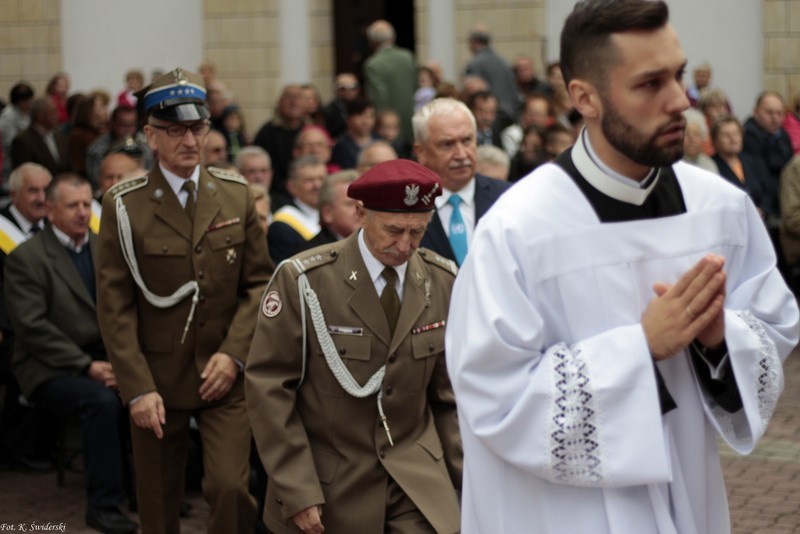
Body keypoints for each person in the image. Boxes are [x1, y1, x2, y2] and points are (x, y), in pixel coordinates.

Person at [445, 2, 799, 533]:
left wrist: (718, 340)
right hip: (565, 514)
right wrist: (640, 348)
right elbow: (492, 396)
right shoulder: (518, 230)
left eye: (678, 75)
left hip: (688, 496)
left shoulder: (720, 210)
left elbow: (774, 325)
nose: (680, 100)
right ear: (583, 96)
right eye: (650, 83)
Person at [96, 67, 272, 534]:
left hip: (223, 375)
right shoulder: (123, 205)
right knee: (158, 504)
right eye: (174, 130)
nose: (189, 140)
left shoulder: (236, 196)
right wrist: (135, 387)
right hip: (156, 378)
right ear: (151, 137)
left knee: (232, 489)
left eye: (197, 127)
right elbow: (114, 305)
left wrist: (234, 355)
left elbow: (259, 284)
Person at [246, 159, 462, 534]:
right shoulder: (305, 279)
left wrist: (468, 482)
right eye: (394, 230)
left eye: (418, 232)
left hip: (418, 481)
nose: (405, 245)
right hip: (332, 484)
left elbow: (447, 398)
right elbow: (269, 390)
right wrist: (297, 489)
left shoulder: (441, 280)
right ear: (361, 213)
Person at [5, 174, 137, 534]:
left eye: (86, 204)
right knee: (101, 402)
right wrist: (86, 366)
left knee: (144, 386)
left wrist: (122, 361)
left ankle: (145, 491)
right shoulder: (27, 259)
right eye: (72, 206)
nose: (83, 213)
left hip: (103, 355)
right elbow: (33, 329)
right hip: (48, 366)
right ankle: (103, 505)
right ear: (49, 210)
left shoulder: (103, 245)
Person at [413, 97, 510, 266]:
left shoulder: (508, 198)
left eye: (467, 141)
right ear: (421, 152)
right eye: (447, 144)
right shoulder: (406, 207)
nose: (461, 154)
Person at [363, 19, 417, 147]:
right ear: (393, 37)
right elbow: (416, 87)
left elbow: (378, 97)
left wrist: (380, 123)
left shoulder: (373, 64)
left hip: (387, 129)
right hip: (409, 121)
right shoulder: (408, 57)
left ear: (372, 41)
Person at [253, 84, 307, 206]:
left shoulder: (310, 130)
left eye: (298, 97)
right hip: (277, 196)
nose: (294, 102)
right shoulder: (267, 132)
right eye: (289, 97)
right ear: (280, 102)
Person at [267, 155, 325, 263]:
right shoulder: (282, 225)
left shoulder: (330, 215)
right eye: (309, 180)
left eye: (322, 179)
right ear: (291, 187)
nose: (317, 185)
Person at [711, 115, 770, 218]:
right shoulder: (711, 165)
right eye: (726, 135)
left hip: (760, 220)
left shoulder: (754, 161)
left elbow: (768, 191)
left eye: (736, 134)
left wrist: (763, 210)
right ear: (715, 140)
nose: (733, 139)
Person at [464, 25, 519, 129]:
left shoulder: (475, 64)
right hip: (511, 117)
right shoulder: (503, 62)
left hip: (490, 119)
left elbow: (473, 93)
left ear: (474, 41)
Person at [85, 105, 153, 189]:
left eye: (132, 125)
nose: (128, 130)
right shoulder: (97, 150)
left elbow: (149, 175)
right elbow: (96, 183)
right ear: (113, 124)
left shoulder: (143, 148)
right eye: (124, 125)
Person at [295, 169, 360, 253]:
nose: (361, 210)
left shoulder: (376, 246)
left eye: (364, 203)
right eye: (351, 204)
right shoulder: (310, 254)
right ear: (327, 213)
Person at [10, 97, 70, 177]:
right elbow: (24, 174)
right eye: (53, 112)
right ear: (40, 116)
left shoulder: (58, 135)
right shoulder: (22, 141)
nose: (57, 115)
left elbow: (67, 164)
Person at [330, 96, 378, 170]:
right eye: (360, 115)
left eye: (370, 116)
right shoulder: (341, 146)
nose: (366, 121)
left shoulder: (380, 141)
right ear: (348, 118)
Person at [0, 83, 34, 182]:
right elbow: (11, 143)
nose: (31, 103)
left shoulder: (28, 113)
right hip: (11, 164)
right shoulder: (7, 117)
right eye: (29, 100)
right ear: (20, 102)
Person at [322, 73, 360, 139]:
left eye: (352, 88)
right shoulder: (328, 111)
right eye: (343, 88)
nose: (348, 91)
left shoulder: (363, 108)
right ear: (336, 90)